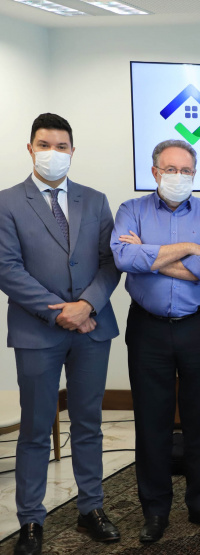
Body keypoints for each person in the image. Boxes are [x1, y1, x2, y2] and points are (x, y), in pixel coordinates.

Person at [0, 113, 121, 555]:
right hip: (37, 332)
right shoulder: (7, 202)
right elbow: (7, 268)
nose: (53, 153)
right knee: (35, 428)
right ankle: (31, 519)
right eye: (44, 145)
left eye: (61, 146)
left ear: (73, 150)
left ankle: (91, 508)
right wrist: (61, 313)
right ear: (30, 149)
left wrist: (86, 306)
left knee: (88, 423)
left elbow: (110, 263)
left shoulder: (95, 200)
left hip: (92, 329)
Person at [111, 139, 200, 543]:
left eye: (186, 171)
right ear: (155, 172)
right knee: (151, 422)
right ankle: (155, 510)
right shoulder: (131, 210)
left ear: (195, 174)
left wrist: (151, 256)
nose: (179, 177)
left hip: (198, 325)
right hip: (148, 328)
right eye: (171, 169)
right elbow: (124, 259)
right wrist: (188, 249)